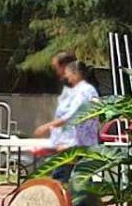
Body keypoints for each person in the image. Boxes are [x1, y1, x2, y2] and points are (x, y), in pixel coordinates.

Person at [35, 55, 100, 183]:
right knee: (80, 179)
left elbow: (71, 116)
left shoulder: (84, 91)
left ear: (76, 74)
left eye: (68, 74)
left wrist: (46, 126)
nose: (67, 77)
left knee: (62, 179)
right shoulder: (81, 90)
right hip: (77, 143)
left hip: (75, 144)